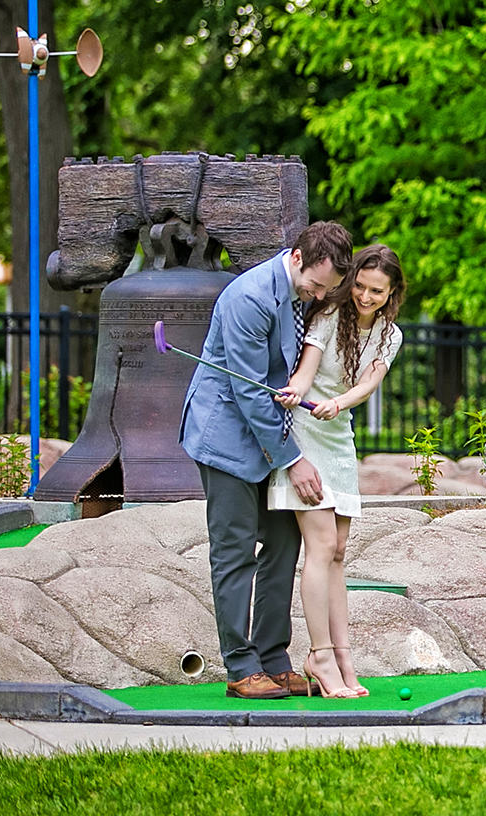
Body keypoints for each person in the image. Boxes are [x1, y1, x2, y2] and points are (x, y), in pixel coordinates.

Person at [179, 220, 350, 700]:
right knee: (234, 551)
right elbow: (250, 393)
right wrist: (295, 460)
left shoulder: (302, 295)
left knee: (282, 544)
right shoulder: (249, 298)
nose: (318, 296)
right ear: (297, 257)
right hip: (228, 439)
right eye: (316, 285)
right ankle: (240, 666)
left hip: (271, 438)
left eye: (327, 289)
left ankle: (274, 658)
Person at [271, 243, 405, 699]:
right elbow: (307, 372)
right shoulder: (329, 315)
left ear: (391, 293)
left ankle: (344, 655)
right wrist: (295, 392)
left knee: (340, 550)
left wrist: (339, 404)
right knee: (322, 546)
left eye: (377, 292)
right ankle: (321, 655)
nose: (366, 297)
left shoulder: (390, 334)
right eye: (362, 287)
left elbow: (367, 384)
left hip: (338, 431)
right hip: (307, 432)